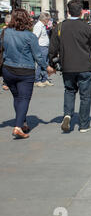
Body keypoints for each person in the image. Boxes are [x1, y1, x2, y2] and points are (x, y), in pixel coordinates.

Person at [49, 0, 91, 133]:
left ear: (68, 12)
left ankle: (68, 114)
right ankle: (83, 124)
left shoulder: (59, 27)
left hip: (67, 66)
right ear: (82, 12)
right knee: (85, 96)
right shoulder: (88, 28)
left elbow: (52, 49)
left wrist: (51, 64)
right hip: (85, 67)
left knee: (69, 91)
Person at [1, 9, 53, 139]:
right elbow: (38, 56)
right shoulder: (30, 36)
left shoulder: (5, 32)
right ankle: (18, 127)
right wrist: (46, 67)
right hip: (25, 71)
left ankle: (22, 122)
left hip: (8, 69)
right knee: (24, 98)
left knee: (17, 97)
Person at [33, 12, 53, 88]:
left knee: (45, 63)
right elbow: (35, 37)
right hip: (41, 47)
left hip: (45, 47)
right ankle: (37, 80)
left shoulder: (42, 26)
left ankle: (44, 79)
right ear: (44, 19)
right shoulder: (38, 26)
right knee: (40, 64)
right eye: (48, 19)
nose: (48, 21)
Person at [2, 14, 11, 91]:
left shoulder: (2, 31)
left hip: (5, 52)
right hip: (7, 52)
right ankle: (6, 82)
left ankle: (6, 83)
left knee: (6, 67)